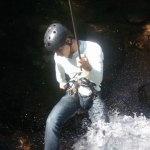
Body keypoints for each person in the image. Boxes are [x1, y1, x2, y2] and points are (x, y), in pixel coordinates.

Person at [43, 23, 109, 150]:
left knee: (103, 133)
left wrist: (87, 66)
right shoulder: (58, 54)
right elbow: (59, 69)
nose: (58, 54)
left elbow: (98, 79)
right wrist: (61, 81)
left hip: (93, 95)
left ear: (68, 40)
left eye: (60, 50)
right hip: (74, 95)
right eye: (56, 52)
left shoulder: (93, 48)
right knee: (51, 121)